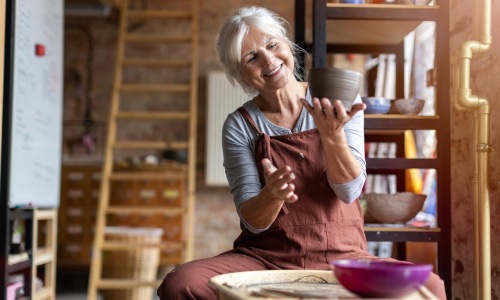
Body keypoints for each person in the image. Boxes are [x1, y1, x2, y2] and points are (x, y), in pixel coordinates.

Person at [157, 6, 446, 299]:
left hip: (344, 258)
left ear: (288, 46)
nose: (269, 60)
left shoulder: (337, 99)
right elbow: (253, 223)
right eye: (252, 57)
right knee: (181, 283)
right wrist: (271, 195)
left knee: (429, 286)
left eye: (272, 45)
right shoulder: (239, 125)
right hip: (266, 260)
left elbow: (350, 191)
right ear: (240, 75)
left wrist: (332, 136)